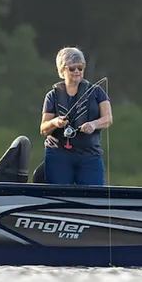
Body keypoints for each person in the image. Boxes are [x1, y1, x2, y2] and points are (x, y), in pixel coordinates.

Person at [39, 47, 113, 185]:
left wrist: (93, 124)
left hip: (89, 155)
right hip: (58, 155)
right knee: (59, 195)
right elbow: (43, 129)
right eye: (72, 68)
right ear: (62, 70)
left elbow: (108, 118)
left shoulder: (97, 92)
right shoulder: (52, 96)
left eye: (80, 67)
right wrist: (55, 122)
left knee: (93, 195)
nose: (77, 71)